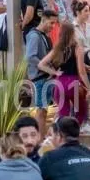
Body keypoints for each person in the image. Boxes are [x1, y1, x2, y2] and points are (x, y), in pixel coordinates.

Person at [39, 15, 90, 125]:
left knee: (63, 114)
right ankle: (74, 132)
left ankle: (60, 133)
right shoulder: (77, 48)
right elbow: (81, 71)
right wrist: (88, 88)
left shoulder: (57, 48)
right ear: (73, 33)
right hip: (74, 82)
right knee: (80, 112)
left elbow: (41, 64)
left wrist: (55, 72)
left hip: (60, 82)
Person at [26, 9, 58, 137]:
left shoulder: (44, 36)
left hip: (46, 77)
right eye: (51, 23)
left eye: (55, 23)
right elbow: (31, 57)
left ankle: (42, 138)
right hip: (39, 78)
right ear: (43, 20)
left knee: (44, 111)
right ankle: (38, 140)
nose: (53, 26)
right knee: (40, 111)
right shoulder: (34, 36)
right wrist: (46, 69)